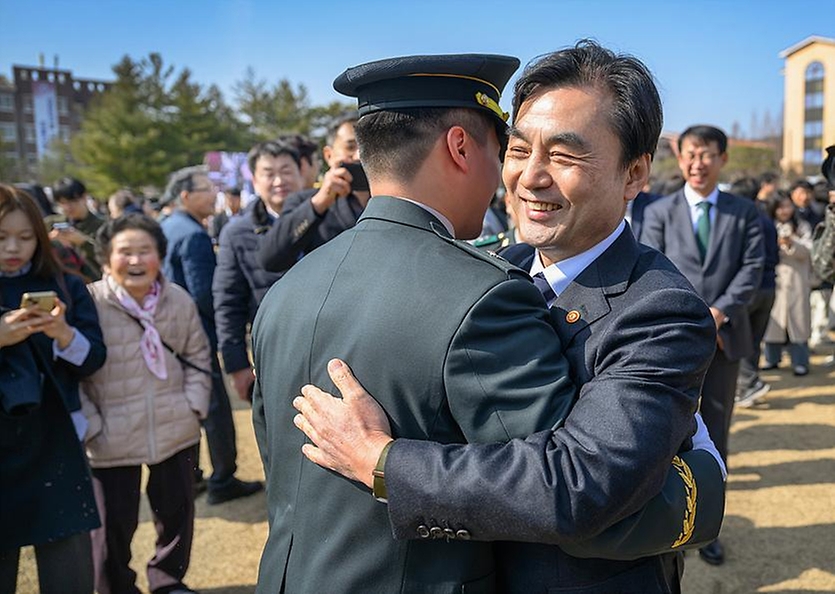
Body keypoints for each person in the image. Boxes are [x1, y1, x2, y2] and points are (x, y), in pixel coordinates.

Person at [283, 43, 725, 593]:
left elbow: (584, 486)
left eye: (564, 156)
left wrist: (384, 463)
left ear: (634, 174)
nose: (530, 177)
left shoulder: (659, 310)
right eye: (518, 150)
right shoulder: (490, 270)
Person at [641, 124, 764, 565]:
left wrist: (718, 312)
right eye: (691, 153)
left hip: (725, 338)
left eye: (707, 154)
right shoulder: (658, 212)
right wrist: (691, 317)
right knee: (663, 430)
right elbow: (651, 266)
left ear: (722, 158)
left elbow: (752, 269)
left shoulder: (744, 212)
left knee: (716, 430)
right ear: (680, 156)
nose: (698, 162)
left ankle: (708, 524)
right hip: (670, 339)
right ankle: (665, 522)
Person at [79, 214, 210, 594]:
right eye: (125, 252)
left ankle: (168, 580)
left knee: (176, 513)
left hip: (175, 424)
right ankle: (115, 586)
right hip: (109, 432)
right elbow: (73, 371)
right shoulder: (89, 302)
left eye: (145, 251)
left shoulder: (178, 299)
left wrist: (194, 406)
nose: (135, 261)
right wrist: (92, 425)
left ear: (159, 256)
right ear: (105, 259)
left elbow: (199, 355)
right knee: (112, 525)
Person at [0, 184, 106, 594]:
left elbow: (95, 358)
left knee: (69, 566)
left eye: (25, 237)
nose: (14, 247)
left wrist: (63, 333)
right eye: (3, 236)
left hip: (57, 435)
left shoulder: (66, 285)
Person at [160, 166, 263, 505]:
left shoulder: (169, 226)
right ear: (185, 195)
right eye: (206, 189)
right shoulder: (193, 234)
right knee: (215, 409)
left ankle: (192, 476)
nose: (214, 195)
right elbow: (205, 293)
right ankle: (222, 479)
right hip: (196, 335)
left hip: (166, 337)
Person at [213, 140, 304, 401]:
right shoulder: (236, 233)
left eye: (286, 171)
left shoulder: (330, 220)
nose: (279, 181)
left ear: (301, 173)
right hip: (275, 355)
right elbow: (228, 301)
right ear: (254, 179)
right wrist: (237, 364)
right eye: (269, 173)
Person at [259, 114, 370, 273]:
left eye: (367, 146)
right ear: (329, 155)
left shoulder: (395, 198)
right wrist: (319, 203)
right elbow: (270, 259)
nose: (359, 155)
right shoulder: (305, 202)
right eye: (350, 147)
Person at [729, 177, 779, 408]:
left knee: (740, 340)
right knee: (754, 340)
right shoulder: (766, 218)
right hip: (769, 286)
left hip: (749, 288)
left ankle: (747, 385)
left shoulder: (740, 219)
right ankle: (751, 383)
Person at [762, 194, 813, 375]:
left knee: (798, 324)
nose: (785, 210)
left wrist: (791, 242)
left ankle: (800, 362)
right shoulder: (768, 226)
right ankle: (772, 358)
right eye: (780, 207)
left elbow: (809, 250)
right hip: (776, 280)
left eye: (788, 206)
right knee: (773, 323)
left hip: (797, 281)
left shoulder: (802, 226)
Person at [52, 177, 105, 279]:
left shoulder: (103, 225)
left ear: (84, 197)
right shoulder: (51, 223)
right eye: (63, 203)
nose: (68, 207)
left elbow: (109, 257)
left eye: (73, 201)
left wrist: (84, 242)